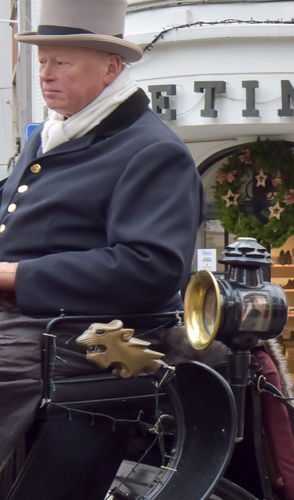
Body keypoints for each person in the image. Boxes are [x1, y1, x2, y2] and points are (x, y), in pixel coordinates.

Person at [0, 0, 207, 475]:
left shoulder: (154, 151)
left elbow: (150, 270)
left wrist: (16, 275)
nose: (45, 75)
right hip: (27, 325)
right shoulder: (53, 135)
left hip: (79, 339)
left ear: (111, 67)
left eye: (61, 62)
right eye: (42, 61)